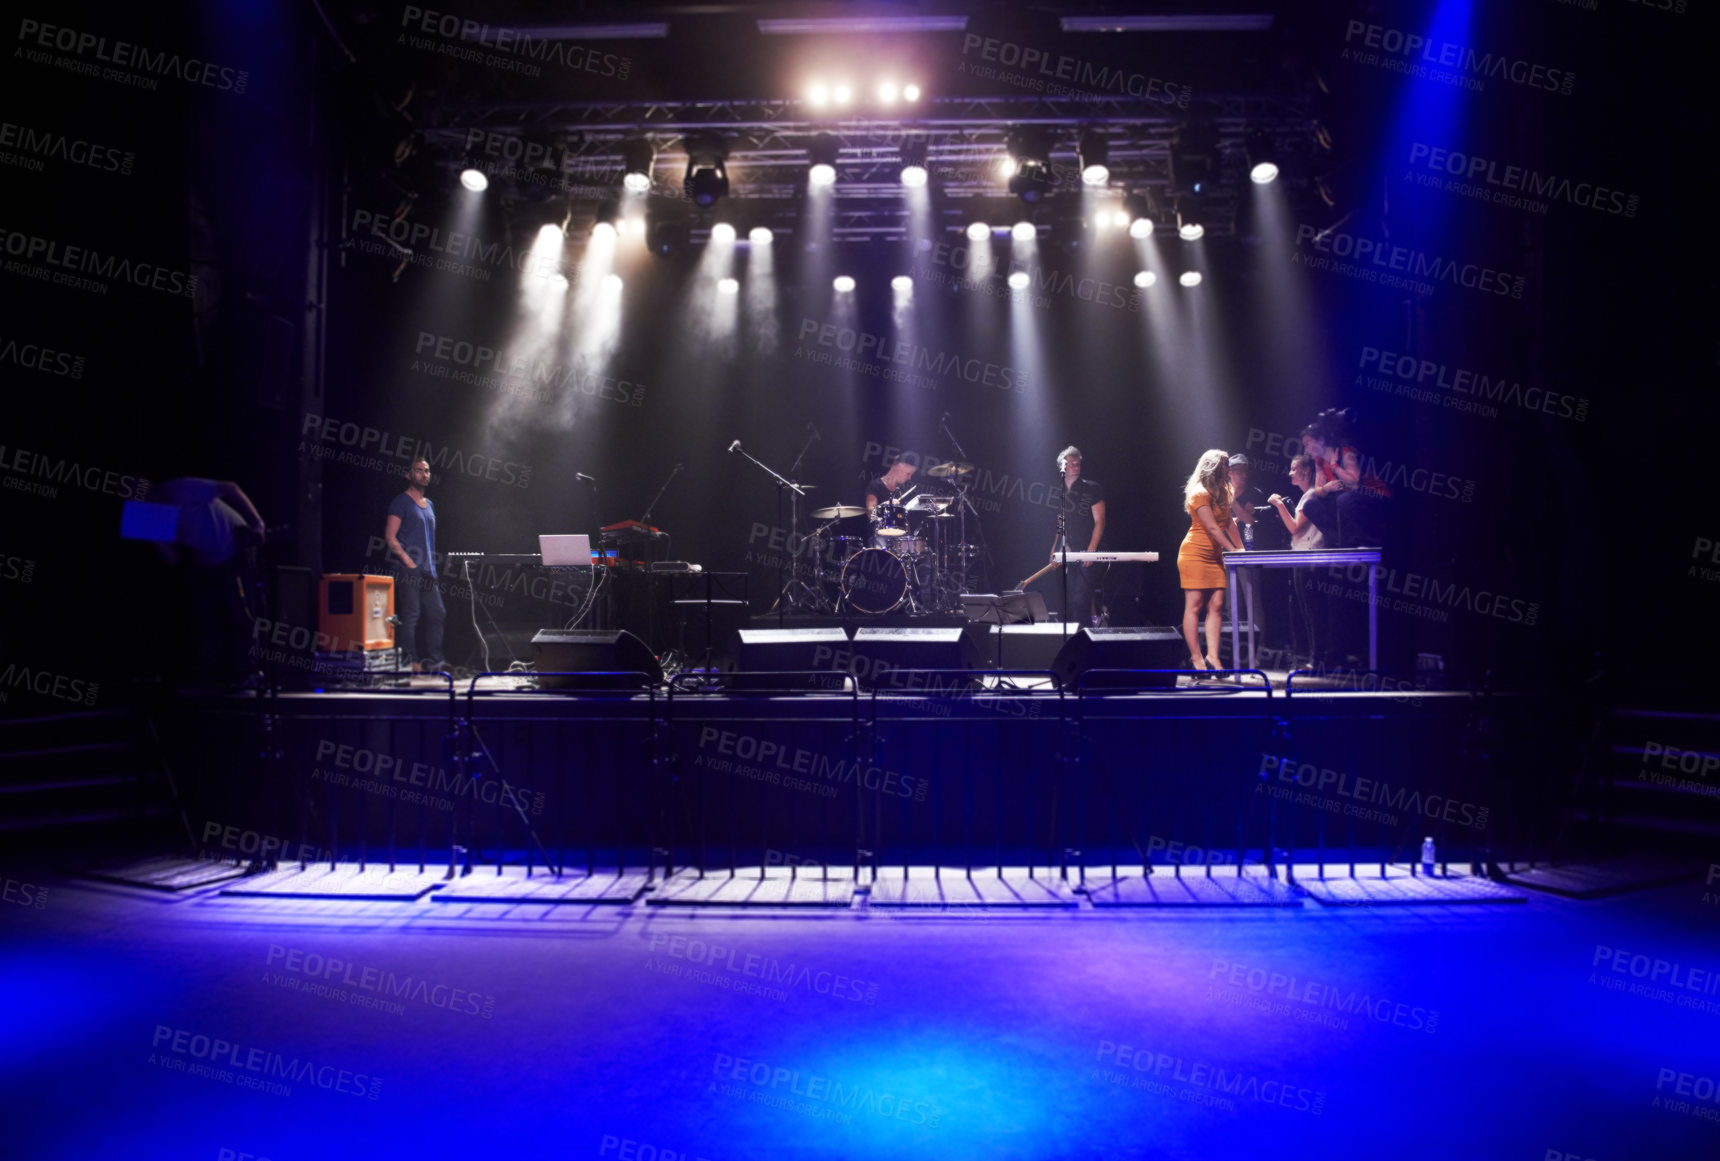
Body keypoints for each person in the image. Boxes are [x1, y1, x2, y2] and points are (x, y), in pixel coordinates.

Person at [149, 477, 268, 686]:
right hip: (204, 559)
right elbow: (173, 559)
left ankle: (245, 673)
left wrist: (257, 523)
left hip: (233, 545)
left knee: (241, 614)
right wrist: (152, 536)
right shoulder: (145, 514)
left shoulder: (178, 489)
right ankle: (210, 678)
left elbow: (230, 488)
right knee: (206, 620)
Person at [1176, 449, 1245, 672]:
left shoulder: (1225, 491)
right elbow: (1213, 527)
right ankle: (1196, 659)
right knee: (1194, 605)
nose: (1229, 469)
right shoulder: (1199, 492)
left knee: (1216, 606)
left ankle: (1213, 658)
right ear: (1214, 467)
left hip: (1215, 555)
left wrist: (1241, 548)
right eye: (1225, 465)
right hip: (1194, 553)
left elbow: (1229, 524)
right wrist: (1233, 550)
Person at [383, 458, 445, 672]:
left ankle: (435, 661)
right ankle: (410, 661)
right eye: (418, 471)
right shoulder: (401, 502)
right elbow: (390, 537)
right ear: (409, 475)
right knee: (411, 615)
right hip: (408, 568)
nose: (424, 474)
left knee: (438, 613)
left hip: (428, 569)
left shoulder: (430, 505)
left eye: (427, 470)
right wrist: (408, 562)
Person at [1269, 454, 1330, 668]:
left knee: (1313, 612)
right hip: (1302, 557)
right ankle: (1315, 657)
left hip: (1310, 558)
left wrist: (1279, 505)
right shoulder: (1307, 496)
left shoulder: (1311, 496)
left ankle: (1318, 659)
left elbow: (1295, 527)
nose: (1290, 473)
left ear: (1305, 471)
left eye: (1294, 469)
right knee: (1307, 612)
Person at [1046, 446, 1106, 624]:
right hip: (1068, 553)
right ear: (1061, 467)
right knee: (1068, 602)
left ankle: (1086, 638)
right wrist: (1054, 550)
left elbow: (1100, 521)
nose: (1075, 466)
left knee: (1081, 600)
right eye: (1070, 463)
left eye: (1077, 463)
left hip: (1087, 550)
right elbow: (1060, 524)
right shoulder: (1059, 492)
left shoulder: (1092, 488)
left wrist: (1091, 549)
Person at [864, 455, 917, 546]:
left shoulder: (901, 490)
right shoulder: (876, 485)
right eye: (908, 473)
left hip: (899, 536)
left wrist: (910, 538)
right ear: (899, 467)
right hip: (879, 535)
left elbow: (903, 518)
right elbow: (870, 512)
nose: (909, 478)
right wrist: (886, 505)